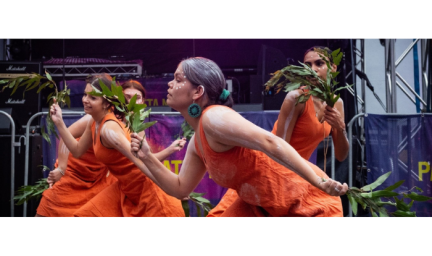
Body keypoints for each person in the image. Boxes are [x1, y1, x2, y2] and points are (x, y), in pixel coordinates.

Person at [130, 57, 348, 217]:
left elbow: (270, 141)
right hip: (259, 206)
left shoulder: (214, 118)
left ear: (197, 92)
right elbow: (179, 188)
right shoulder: (198, 140)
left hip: (308, 203)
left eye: (178, 79)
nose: (169, 84)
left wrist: (320, 181)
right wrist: (147, 157)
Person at [207, 46, 349, 216]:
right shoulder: (296, 98)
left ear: (333, 68)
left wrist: (340, 128)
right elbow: (278, 151)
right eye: (307, 65)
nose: (313, 70)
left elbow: (341, 155)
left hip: (297, 177)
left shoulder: (337, 103)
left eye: (319, 63)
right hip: (271, 174)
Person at [49, 75, 185, 217]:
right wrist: (59, 122)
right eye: (85, 95)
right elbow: (77, 151)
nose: (85, 100)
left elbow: (143, 162)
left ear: (107, 103)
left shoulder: (109, 130)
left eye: (93, 98)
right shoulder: (94, 122)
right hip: (125, 187)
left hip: (147, 190)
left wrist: (173, 188)